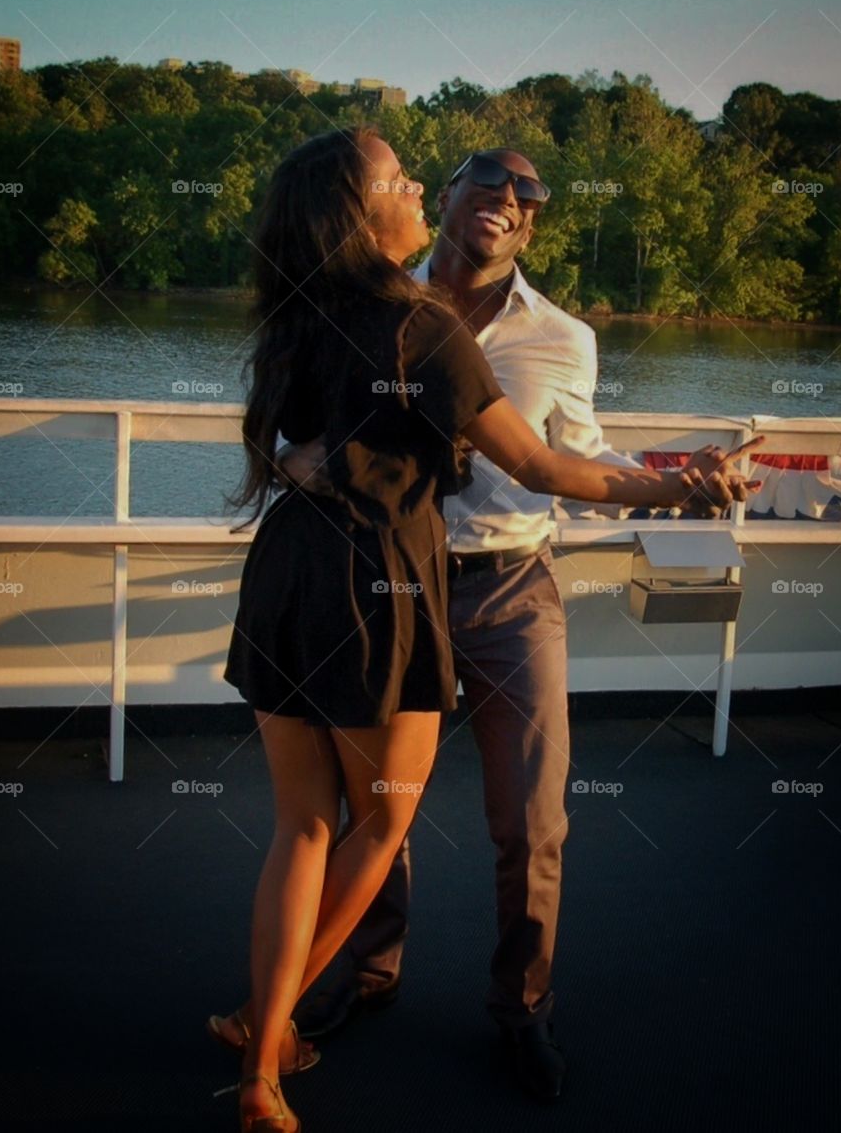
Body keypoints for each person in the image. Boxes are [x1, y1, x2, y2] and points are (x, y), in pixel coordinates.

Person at [214, 128, 756, 1132]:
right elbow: (539, 466)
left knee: (483, 818)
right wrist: (683, 489)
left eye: (531, 192)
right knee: (382, 820)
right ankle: (329, 991)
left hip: (432, 583)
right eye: (456, 179)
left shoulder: (329, 305)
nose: (507, 196)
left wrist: (668, 481)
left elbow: (568, 462)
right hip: (388, 586)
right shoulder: (411, 316)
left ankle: (504, 1010)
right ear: (421, 203)